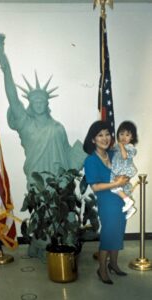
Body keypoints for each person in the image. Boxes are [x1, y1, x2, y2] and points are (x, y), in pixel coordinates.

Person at [0, 33, 86, 190]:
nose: (38, 103)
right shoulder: (26, 124)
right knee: (40, 212)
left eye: (41, 100)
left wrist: (87, 150)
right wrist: (5, 68)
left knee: (63, 213)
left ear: (46, 103)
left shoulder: (58, 127)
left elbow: (67, 154)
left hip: (60, 187)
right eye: (34, 101)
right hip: (37, 183)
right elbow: (13, 98)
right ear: (30, 104)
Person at [83, 120, 129, 284]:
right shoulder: (90, 161)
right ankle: (102, 268)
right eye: (100, 135)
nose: (105, 138)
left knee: (118, 232)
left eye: (107, 134)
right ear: (93, 140)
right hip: (107, 203)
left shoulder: (112, 154)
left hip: (121, 200)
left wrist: (124, 179)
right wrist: (116, 183)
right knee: (109, 235)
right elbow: (95, 186)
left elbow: (125, 168)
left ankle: (114, 265)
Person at [110, 121, 138, 220]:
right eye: (121, 134)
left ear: (132, 137)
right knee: (115, 189)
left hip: (124, 171)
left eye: (127, 135)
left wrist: (121, 146)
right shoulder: (117, 146)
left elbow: (125, 156)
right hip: (118, 171)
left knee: (114, 187)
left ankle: (128, 201)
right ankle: (130, 208)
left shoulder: (130, 147)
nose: (123, 137)